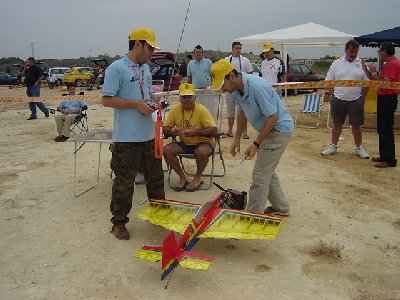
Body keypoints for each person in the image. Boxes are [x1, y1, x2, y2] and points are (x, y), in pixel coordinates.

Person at [102, 27, 165, 240]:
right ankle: (119, 222)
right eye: (150, 48)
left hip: (149, 135)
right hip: (126, 139)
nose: (152, 53)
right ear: (138, 44)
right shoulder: (116, 69)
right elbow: (106, 100)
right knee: (124, 181)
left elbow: (145, 96)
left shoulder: (146, 69)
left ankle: (160, 214)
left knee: (155, 178)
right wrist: (136, 105)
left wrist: (153, 103)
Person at [210, 59, 293, 216]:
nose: (222, 89)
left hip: (278, 130)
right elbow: (242, 113)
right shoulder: (237, 89)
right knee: (267, 171)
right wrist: (236, 139)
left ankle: (253, 216)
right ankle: (281, 208)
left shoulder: (257, 87)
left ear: (232, 76)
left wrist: (255, 143)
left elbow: (273, 116)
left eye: (223, 84)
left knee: (260, 175)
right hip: (269, 130)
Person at [163, 83, 218, 192]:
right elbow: (165, 128)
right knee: (166, 150)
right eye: (184, 97)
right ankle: (182, 177)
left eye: (189, 97)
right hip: (185, 143)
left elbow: (214, 130)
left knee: (202, 151)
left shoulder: (202, 110)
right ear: (180, 98)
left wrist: (195, 132)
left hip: (203, 143)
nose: (186, 99)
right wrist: (171, 131)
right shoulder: (175, 109)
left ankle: (197, 177)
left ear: (195, 97)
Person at [321, 39, 370, 159]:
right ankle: (333, 146)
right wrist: (332, 95)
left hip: (356, 100)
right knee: (337, 123)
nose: (353, 54)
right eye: (351, 51)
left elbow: (367, 84)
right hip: (338, 99)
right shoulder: (336, 63)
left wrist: (362, 98)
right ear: (346, 50)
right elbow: (328, 82)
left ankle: (359, 147)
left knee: (356, 125)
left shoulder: (362, 64)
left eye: (356, 51)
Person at [362, 41, 400, 168]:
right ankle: (384, 156)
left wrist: (372, 73)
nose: (378, 54)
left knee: (386, 129)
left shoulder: (392, 64)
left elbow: (384, 83)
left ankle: (389, 160)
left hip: (388, 98)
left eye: (379, 51)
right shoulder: (389, 64)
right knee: (382, 128)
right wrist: (367, 70)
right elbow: (375, 80)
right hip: (384, 97)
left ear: (384, 52)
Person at [223, 41, 253, 140]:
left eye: (240, 48)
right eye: (236, 48)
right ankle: (230, 131)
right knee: (230, 110)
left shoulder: (245, 60)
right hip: (230, 89)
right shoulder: (227, 60)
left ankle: (244, 131)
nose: (238, 50)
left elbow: (250, 73)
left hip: (241, 89)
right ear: (232, 49)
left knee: (243, 110)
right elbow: (222, 73)